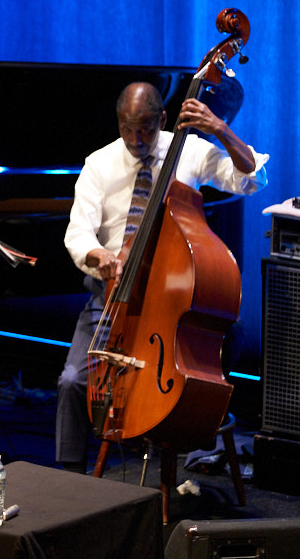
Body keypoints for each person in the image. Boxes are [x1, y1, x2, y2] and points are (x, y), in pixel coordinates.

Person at [58, 82, 269, 473]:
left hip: (171, 304)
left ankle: (179, 447)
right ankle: (70, 479)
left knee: (223, 342)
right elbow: (77, 234)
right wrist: (99, 255)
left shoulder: (188, 150)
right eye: (127, 128)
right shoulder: (99, 164)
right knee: (71, 381)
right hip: (114, 298)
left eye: (146, 128)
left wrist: (220, 129)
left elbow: (252, 178)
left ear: (163, 120)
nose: (136, 139)